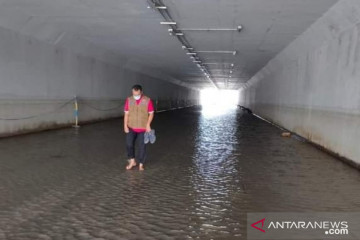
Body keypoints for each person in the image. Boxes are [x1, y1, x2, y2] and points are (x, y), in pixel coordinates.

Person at [123, 84, 154, 171]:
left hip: (143, 128)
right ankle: (132, 161)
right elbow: (126, 113)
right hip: (131, 127)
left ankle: (141, 163)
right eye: (134, 94)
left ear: (141, 92)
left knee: (142, 146)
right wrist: (125, 125)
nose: (135, 96)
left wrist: (148, 124)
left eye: (137, 94)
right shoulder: (129, 100)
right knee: (129, 144)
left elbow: (151, 113)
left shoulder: (147, 100)